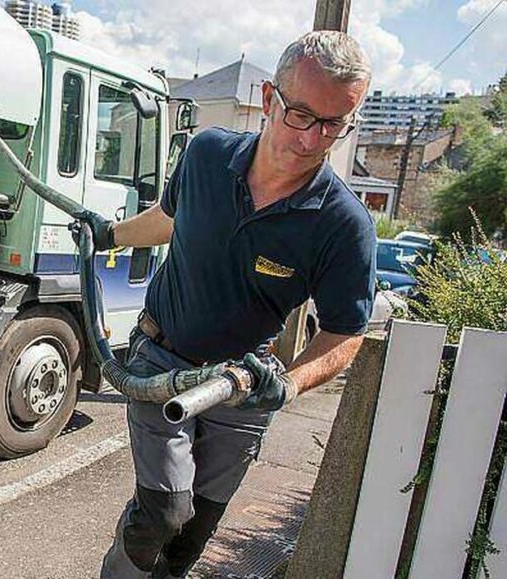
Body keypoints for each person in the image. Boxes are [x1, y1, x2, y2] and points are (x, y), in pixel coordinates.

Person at [88, 31, 377, 579]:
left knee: (189, 539)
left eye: (335, 124)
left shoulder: (343, 225)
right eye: (300, 115)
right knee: (164, 512)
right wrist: (113, 234)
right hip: (162, 361)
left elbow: (346, 331)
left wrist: (287, 384)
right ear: (269, 100)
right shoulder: (206, 155)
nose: (313, 139)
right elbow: (170, 218)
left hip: (243, 389)